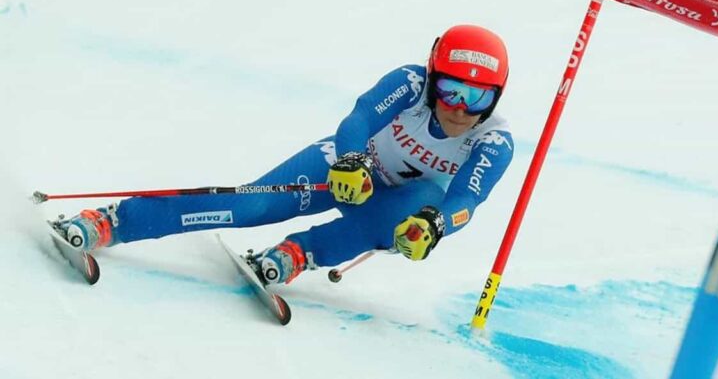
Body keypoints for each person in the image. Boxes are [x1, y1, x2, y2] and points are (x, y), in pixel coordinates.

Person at [58, 24, 515, 285]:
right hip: (346, 169)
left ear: (495, 98)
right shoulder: (409, 83)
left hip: (396, 203)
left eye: (476, 98)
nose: (459, 108)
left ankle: (298, 254)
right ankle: (115, 221)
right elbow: (357, 119)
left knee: (414, 213)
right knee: (250, 204)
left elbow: (465, 203)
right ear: (432, 77)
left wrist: (435, 226)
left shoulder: (494, 142)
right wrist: (352, 160)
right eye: (450, 90)